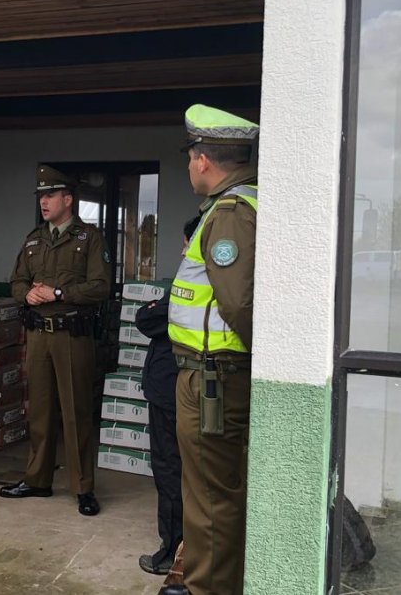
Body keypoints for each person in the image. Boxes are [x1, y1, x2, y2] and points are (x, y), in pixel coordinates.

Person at [164, 105, 259, 595]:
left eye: (189, 159)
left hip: (213, 379)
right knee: (206, 493)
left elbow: (238, 303)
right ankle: (203, 579)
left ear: (202, 160)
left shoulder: (229, 214)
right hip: (210, 376)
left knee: (211, 500)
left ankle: (209, 589)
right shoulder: (230, 209)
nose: (188, 168)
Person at [0, 165, 111, 516]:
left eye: (50, 196)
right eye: (41, 197)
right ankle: (37, 480)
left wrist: (59, 292)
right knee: (41, 411)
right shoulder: (34, 239)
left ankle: (83, 487)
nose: (44, 202)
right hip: (38, 336)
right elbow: (16, 282)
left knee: (76, 410)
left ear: (68, 199)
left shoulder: (88, 238)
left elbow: (101, 286)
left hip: (72, 336)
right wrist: (26, 295)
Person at [137, 216, 199, 576]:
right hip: (175, 385)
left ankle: (172, 551)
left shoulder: (194, 281)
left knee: (170, 468)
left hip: (171, 388)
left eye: (186, 242)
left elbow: (148, 320)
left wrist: (153, 312)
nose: (182, 249)